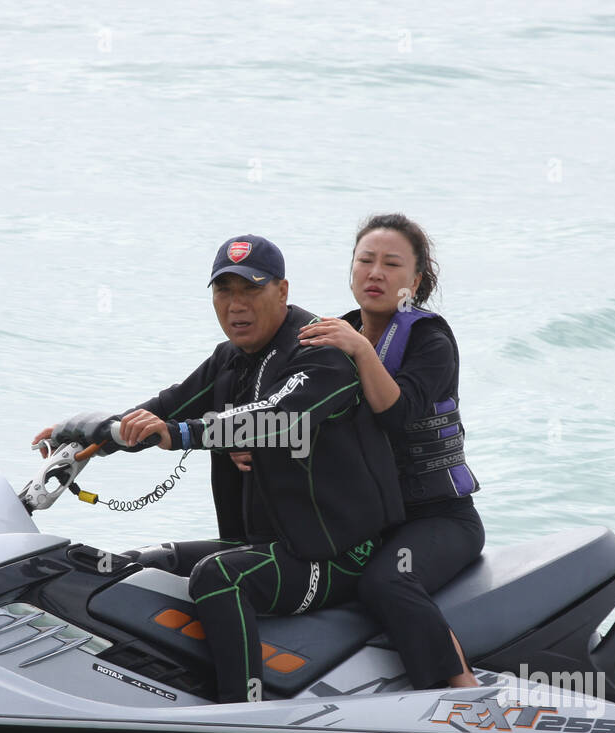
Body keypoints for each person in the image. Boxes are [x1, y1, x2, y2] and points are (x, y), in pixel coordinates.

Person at [33, 235, 404, 703]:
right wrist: (83, 436)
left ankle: (242, 711)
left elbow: (270, 417)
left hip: (336, 555)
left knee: (218, 576)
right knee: (135, 566)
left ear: (283, 291)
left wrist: (181, 433)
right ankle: (148, 690)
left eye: (251, 289)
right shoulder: (229, 359)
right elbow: (161, 411)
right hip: (269, 545)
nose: (236, 305)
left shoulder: (320, 349)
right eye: (223, 291)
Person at [295, 214, 484, 690]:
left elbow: (396, 414)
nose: (375, 273)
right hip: (366, 519)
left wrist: (359, 351)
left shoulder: (431, 341)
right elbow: (293, 410)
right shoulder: (333, 335)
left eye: (391, 264)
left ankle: (461, 693)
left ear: (415, 281)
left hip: (439, 518)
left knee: (387, 582)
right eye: (365, 260)